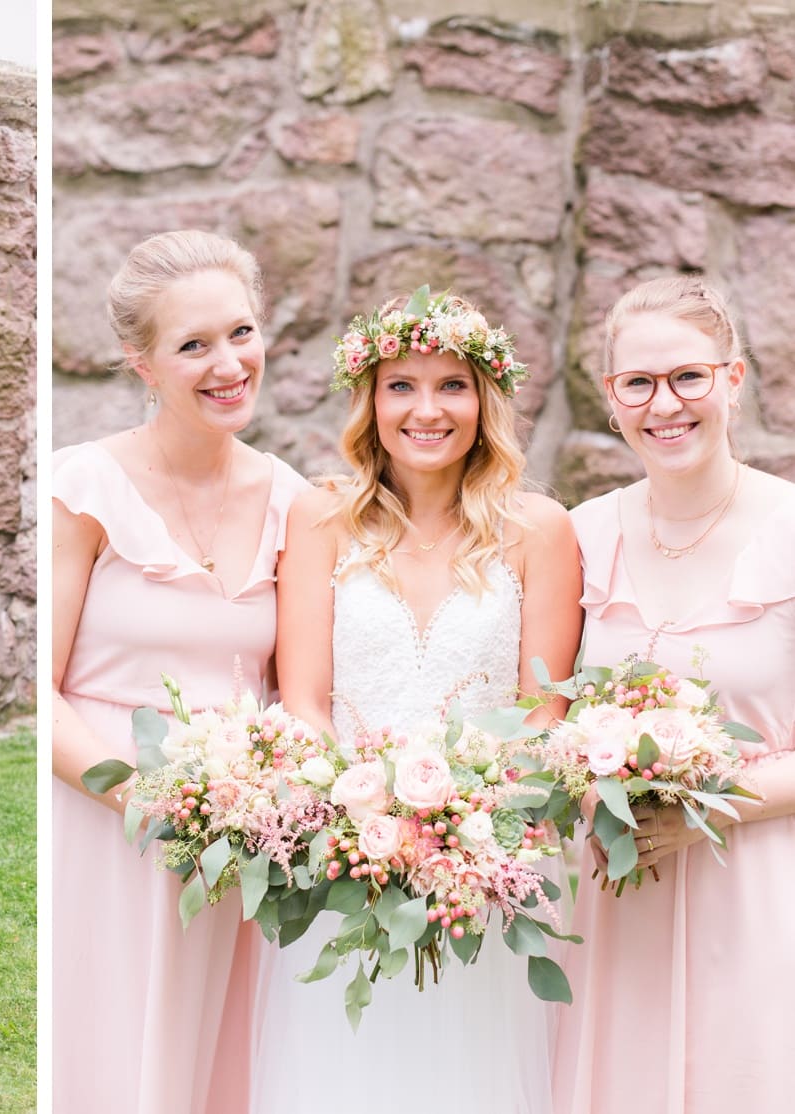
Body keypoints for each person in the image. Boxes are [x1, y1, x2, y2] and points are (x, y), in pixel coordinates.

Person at [253, 288, 582, 1112]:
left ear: (486, 401)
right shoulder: (320, 514)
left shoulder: (539, 528)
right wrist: (365, 826)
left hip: (485, 861)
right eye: (401, 385)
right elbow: (303, 700)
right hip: (348, 858)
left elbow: (544, 714)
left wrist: (465, 832)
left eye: (452, 386)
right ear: (369, 399)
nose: (426, 410)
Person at [53, 230, 309, 1114]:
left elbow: (296, 692)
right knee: (105, 1048)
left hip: (235, 832)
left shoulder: (292, 501)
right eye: (193, 346)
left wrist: (257, 800)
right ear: (143, 364)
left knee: (211, 1060)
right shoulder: (82, 488)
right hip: (103, 813)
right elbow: (37, 694)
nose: (227, 363)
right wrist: (143, 801)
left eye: (240, 333)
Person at [553, 276, 795, 1114]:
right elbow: (537, 714)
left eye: (689, 377)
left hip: (757, 885)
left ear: (733, 379)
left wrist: (710, 802)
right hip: (614, 899)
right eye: (638, 385)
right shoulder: (580, 534)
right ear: (613, 400)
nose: (666, 405)